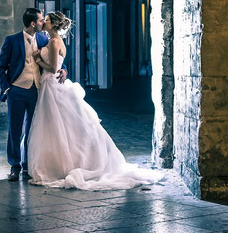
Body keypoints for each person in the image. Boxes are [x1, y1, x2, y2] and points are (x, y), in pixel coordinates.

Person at [26, 11, 163, 190]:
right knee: (60, 125)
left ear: (53, 24)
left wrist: (37, 59)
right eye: (43, 20)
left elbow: (52, 67)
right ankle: (64, 161)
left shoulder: (53, 41)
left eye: (47, 20)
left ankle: (62, 164)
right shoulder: (54, 40)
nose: (44, 22)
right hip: (51, 86)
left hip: (51, 85)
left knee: (55, 125)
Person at [0, 7, 67, 182]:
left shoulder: (44, 38)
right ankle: (15, 166)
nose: (43, 22)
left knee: (32, 130)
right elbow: (0, 68)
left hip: (37, 90)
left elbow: (55, 59)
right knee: (15, 129)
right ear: (33, 23)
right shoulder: (12, 41)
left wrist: (64, 70)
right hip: (17, 90)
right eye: (41, 20)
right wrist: (7, 88)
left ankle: (28, 165)